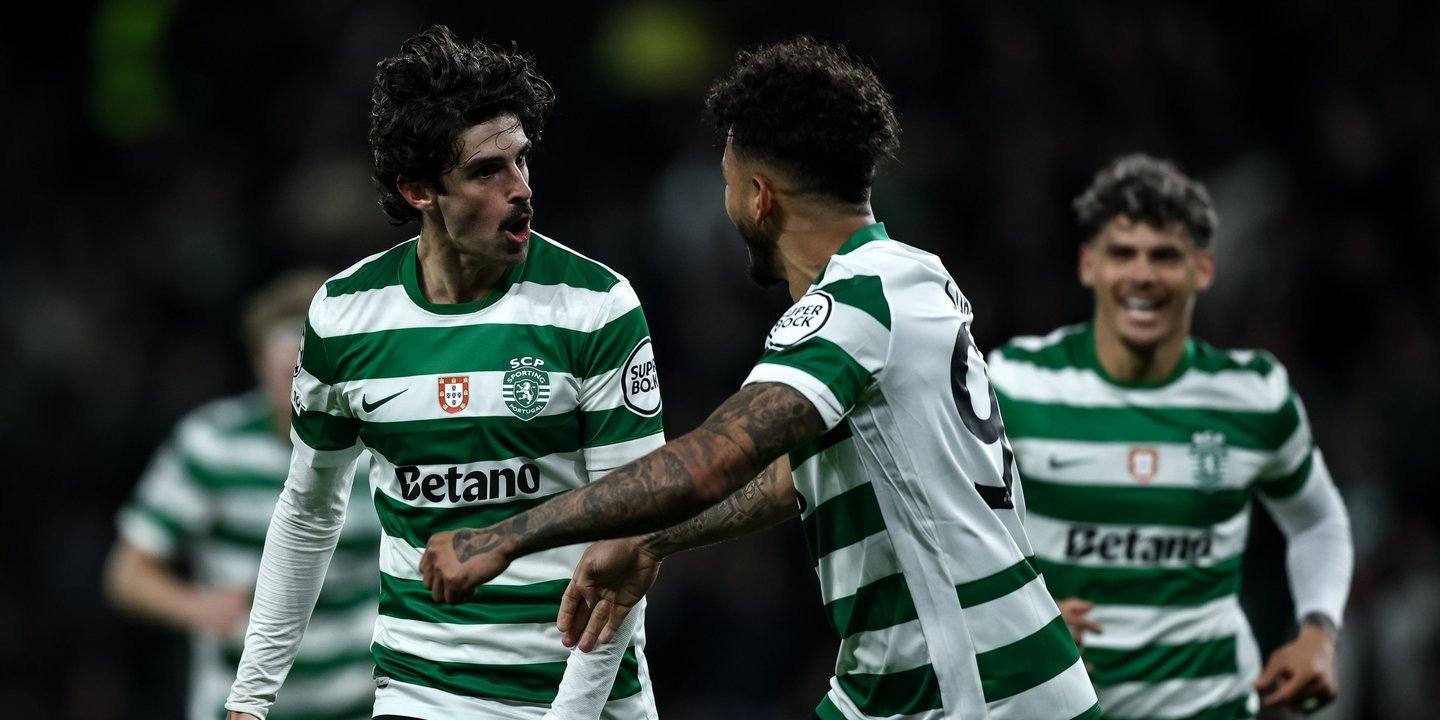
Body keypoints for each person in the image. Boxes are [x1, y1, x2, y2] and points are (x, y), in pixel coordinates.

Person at [417, 37, 1101, 720]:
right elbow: (787, 474)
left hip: (969, 690)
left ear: (759, 197)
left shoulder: (852, 305)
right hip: (939, 678)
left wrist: (503, 537)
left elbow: (712, 460)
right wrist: (653, 539)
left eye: (725, 184)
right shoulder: (914, 276)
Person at [223, 26, 666, 720]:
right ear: (418, 189)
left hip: (582, 696)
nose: (520, 189)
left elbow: (636, 532)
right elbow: (308, 511)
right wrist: (251, 695)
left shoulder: (596, 306)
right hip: (420, 694)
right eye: (488, 171)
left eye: (522, 161)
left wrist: (570, 715)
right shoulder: (345, 315)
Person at [986, 154, 1353, 719]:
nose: (1143, 275)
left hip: (1212, 705)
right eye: (1122, 254)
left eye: (1165, 256)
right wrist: (1017, 616)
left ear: (1203, 269)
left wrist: (1320, 631)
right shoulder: (1017, 383)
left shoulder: (1252, 396)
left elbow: (1318, 519)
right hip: (1055, 704)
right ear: (1088, 265)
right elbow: (945, 527)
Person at [105, 270, 381, 720]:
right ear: (257, 363)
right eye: (284, 371)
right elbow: (127, 573)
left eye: (309, 369)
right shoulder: (211, 446)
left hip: (355, 704)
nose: (298, 388)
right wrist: (196, 606)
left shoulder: (378, 447)